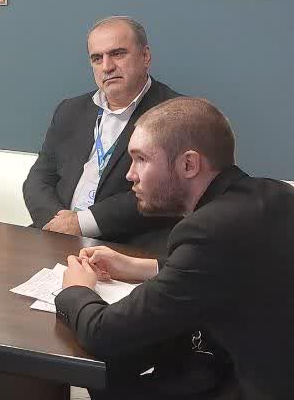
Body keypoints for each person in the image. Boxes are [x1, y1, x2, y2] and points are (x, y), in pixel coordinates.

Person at [55, 97, 294, 400]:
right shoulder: (274, 196)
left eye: (141, 159)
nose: (130, 175)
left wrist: (76, 290)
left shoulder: (210, 230)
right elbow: (240, 271)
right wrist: (146, 267)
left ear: (189, 164)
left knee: (113, 382)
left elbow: (104, 332)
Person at [23, 17, 180, 246]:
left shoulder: (175, 115)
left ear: (145, 56)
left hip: (125, 245)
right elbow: (39, 178)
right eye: (97, 58)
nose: (107, 67)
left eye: (118, 54)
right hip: (56, 234)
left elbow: (164, 191)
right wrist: (57, 224)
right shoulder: (70, 110)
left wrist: (82, 223)